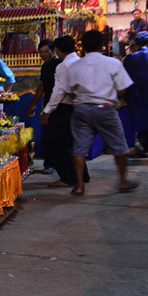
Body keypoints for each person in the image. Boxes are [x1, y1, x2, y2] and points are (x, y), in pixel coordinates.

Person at [64, 30, 138, 196]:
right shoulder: (113, 63)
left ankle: (80, 185)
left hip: (81, 109)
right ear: (102, 46)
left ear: (83, 47)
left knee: (80, 148)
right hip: (105, 109)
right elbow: (123, 89)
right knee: (120, 146)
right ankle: (123, 181)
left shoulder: (76, 65)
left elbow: (69, 91)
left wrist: (82, 98)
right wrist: (111, 96)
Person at [41, 37, 87, 187]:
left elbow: (58, 91)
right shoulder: (81, 61)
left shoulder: (63, 65)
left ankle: (68, 178)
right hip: (79, 107)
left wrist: (47, 111)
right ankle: (82, 175)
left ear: (58, 50)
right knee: (73, 142)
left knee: (58, 143)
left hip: (64, 108)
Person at [27, 39, 58, 173]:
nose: (43, 54)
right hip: (48, 104)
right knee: (49, 135)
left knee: (55, 136)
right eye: (41, 52)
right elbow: (41, 86)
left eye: (46, 51)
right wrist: (34, 105)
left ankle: (54, 164)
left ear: (53, 51)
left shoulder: (58, 64)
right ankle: (50, 163)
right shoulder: (45, 66)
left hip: (58, 105)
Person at [122, 31, 148, 156]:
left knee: (141, 120)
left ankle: (142, 144)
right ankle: (142, 144)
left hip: (135, 95)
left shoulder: (129, 58)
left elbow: (125, 78)